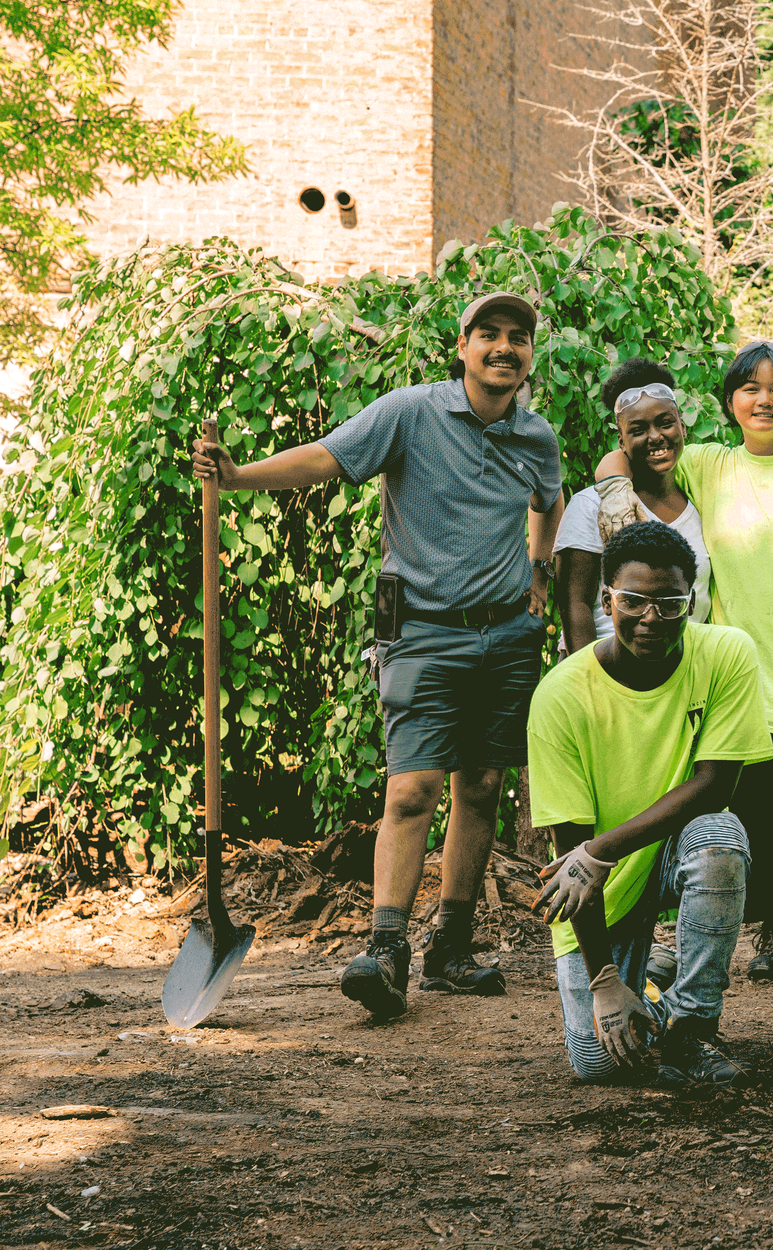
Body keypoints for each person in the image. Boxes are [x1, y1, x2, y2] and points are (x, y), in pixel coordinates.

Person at [192, 292, 562, 1019]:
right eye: (488, 334)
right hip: (423, 631)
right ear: (462, 345)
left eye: (518, 337)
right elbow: (326, 459)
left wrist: (539, 571)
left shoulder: (536, 434)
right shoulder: (410, 412)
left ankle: (450, 948)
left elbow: (549, 500)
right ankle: (387, 949)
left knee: (482, 786)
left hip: (507, 635)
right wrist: (237, 476)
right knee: (411, 789)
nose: (504, 347)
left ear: (528, 355)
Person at [596, 341, 773, 983]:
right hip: (739, 681)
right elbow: (632, 447)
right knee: (760, 813)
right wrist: (612, 486)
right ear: (730, 402)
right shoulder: (709, 465)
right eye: (750, 388)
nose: (764, 400)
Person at [529, 522, 767, 1087]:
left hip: (666, 855)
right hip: (602, 890)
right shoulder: (561, 697)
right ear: (606, 600)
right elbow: (573, 863)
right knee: (597, 1065)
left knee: (720, 837)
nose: (651, 618)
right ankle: (651, 982)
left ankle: (691, 1028)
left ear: (692, 601)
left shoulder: (725, 653)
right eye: (632, 601)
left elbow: (715, 785)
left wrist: (603, 848)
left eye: (670, 604)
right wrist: (604, 980)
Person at [555, 360, 711, 655]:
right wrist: (590, 675)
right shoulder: (594, 505)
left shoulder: (700, 500)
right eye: (638, 429)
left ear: (682, 426)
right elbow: (574, 605)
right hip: (607, 662)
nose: (655, 436)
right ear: (621, 441)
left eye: (665, 423)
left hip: (681, 669)